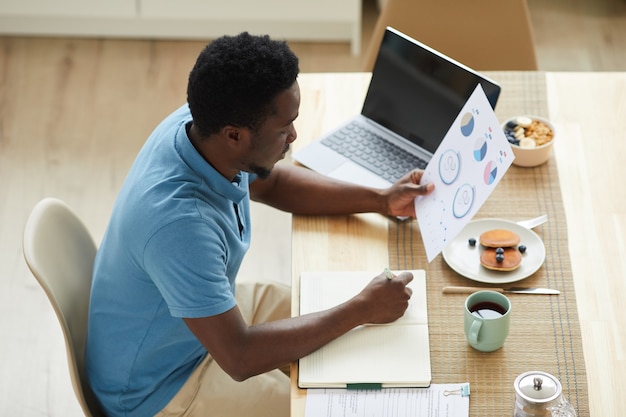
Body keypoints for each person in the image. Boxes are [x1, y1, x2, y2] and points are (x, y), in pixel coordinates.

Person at [86, 32, 435, 417]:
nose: (294, 136)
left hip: (201, 322)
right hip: (161, 386)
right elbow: (239, 357)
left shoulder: (203, 124)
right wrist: (359, 310)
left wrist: (381, 199)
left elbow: (275, 182)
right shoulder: (181, 225)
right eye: (285, 128)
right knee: (323, 404)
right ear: (234, 135)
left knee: (357, 334)